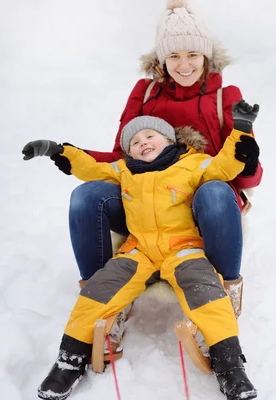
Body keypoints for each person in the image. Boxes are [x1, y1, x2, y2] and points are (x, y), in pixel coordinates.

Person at [61, 0, 262, 357]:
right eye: (174, 57)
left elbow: (247, 177)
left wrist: (248, 158)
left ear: (206, 56)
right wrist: (73, 155)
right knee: (86, 195)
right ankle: (105, 304)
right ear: (161, 61)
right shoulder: (146, 92)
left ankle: (222, 295)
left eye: (192, 55)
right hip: (145, 198)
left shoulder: (224, 97)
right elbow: (121, 154)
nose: (184, 65)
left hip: (202, 201)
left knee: (215, 191)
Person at [23, 100, 260, 400]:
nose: (142, 143)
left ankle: (230, 364)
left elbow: (225, 164)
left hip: (183, 248)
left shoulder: (193, 163)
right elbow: (91, 168)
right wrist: (57, 150)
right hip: (139, 251)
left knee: (206, 292)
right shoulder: (124, 171)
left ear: (170, 140)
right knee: (97, 292)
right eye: (134, 142)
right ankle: (69, 360)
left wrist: (242, 130)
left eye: (150, 136)